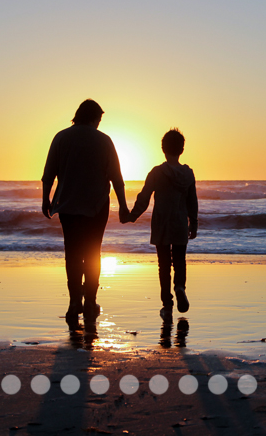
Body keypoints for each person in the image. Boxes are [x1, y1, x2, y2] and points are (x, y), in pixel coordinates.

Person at [41, 99, 130, 322]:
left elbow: (49, 173)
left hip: (68, 206)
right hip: (96, 207)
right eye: (99, 119)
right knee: (93, 253)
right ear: (94, 117)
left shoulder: (61, 137)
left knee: (72, 254)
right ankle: (90, 302)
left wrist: (46, 200)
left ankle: (73, 303)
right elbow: (117, 178)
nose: (99, 124)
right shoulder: (104, 140)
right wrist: (123, 206)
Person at [126, 128, 198, 318]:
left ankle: (167, 305)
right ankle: (180, 287)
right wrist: (194, 222)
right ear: (181, 150)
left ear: (163, 149)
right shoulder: (188, 174)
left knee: (164, 265)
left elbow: (144, 197)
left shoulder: (157, 173)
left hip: (161, 224)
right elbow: (193, 202)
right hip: (180, 223)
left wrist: (133, 215)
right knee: (180, 261)